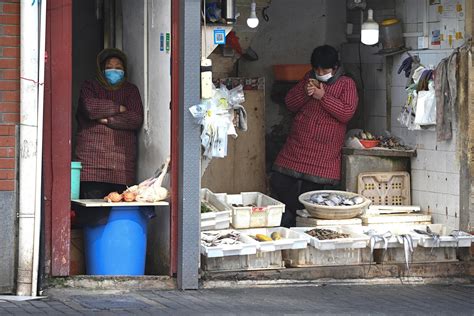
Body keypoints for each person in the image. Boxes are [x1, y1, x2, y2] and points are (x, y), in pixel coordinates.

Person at [271, 45, 358, 227]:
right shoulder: (308, 78)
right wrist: (305, 91)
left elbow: (346, 113)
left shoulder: (346, 84)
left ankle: (300, 223)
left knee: (312, 195)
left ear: (335, 67)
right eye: (316, 68)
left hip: (323, 153)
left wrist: (322, 96)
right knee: (278, 181)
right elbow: (290, 103)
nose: (320, 72)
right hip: (297, 147)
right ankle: (295, 216)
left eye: (324, 69)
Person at [74, 48, 144, 225]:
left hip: (121, 166)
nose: (114, 70)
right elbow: (90, 108)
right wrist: (119, 108)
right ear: (101, 68)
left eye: (118, 67)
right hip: (92, 165)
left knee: (119, 217)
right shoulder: (90, 86)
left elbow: (135, 118)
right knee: (93, 218)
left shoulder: (130, 90)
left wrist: (106, 119)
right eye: (109, 66)